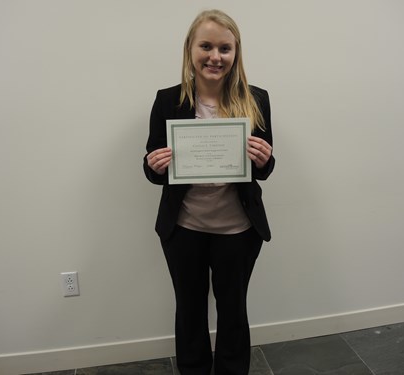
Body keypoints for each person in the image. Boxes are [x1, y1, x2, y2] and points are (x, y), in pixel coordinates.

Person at [143, 9, 275, 375]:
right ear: (190, 49)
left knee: (233, 312)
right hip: (184, 229)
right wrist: (154, 165)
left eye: (224, 48)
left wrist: (264, 159)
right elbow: (154, 169)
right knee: (189, 312)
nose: (215, 56)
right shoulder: (168, 100)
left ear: (236, 53)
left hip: (238, 230)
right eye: (206, 46)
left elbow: (263, 170)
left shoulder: (257, 99)